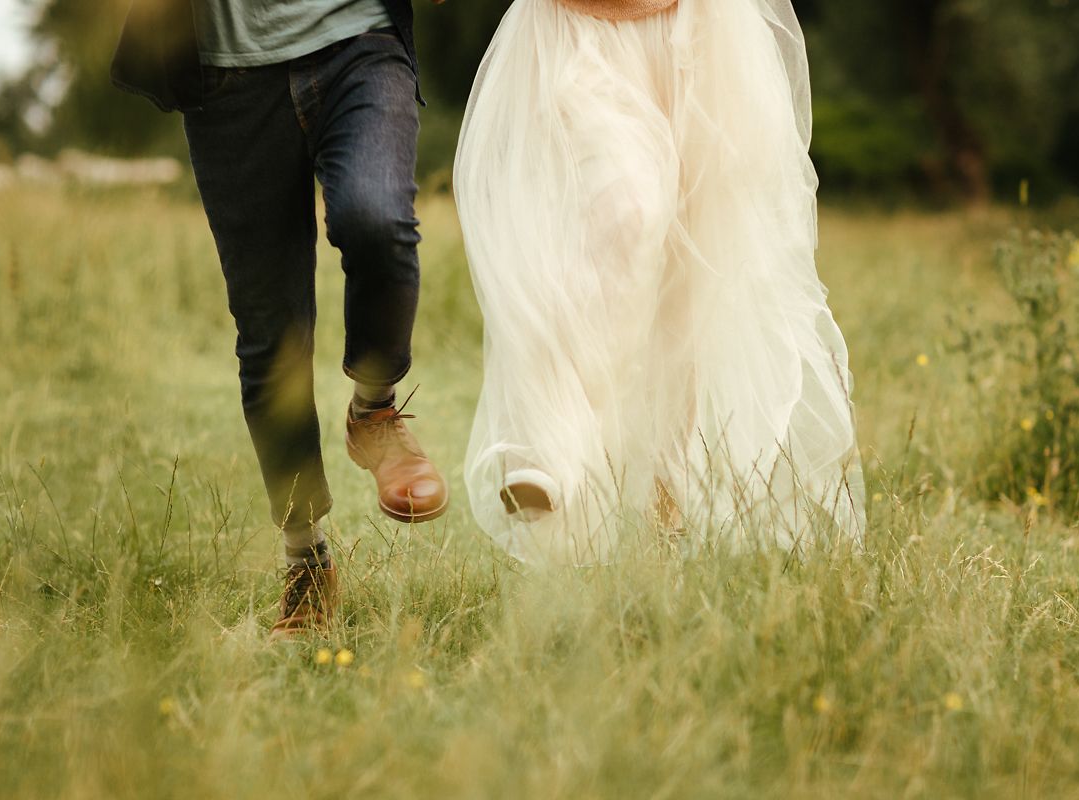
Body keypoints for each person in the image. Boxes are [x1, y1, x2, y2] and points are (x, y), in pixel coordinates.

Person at [454, 0, 865, 566]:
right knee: (627, 212)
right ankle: (547, 448)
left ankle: (667, 513)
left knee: (691, 278)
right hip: (577, 29)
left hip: (700, 33)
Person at [111, 0, 449, 638]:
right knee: (270, 332)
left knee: (376, 220)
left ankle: (374, 413)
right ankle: (306, 558)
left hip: (356, 39)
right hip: (227, 74)